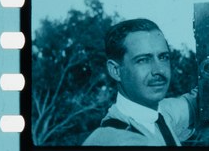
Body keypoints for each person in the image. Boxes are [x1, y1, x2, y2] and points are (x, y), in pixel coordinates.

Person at [82, 18, 197, 146]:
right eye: (143, 60)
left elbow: (201, 99)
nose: (159, 70)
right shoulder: (113, 140)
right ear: (115, 70)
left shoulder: (160, 114)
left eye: (163, 57)